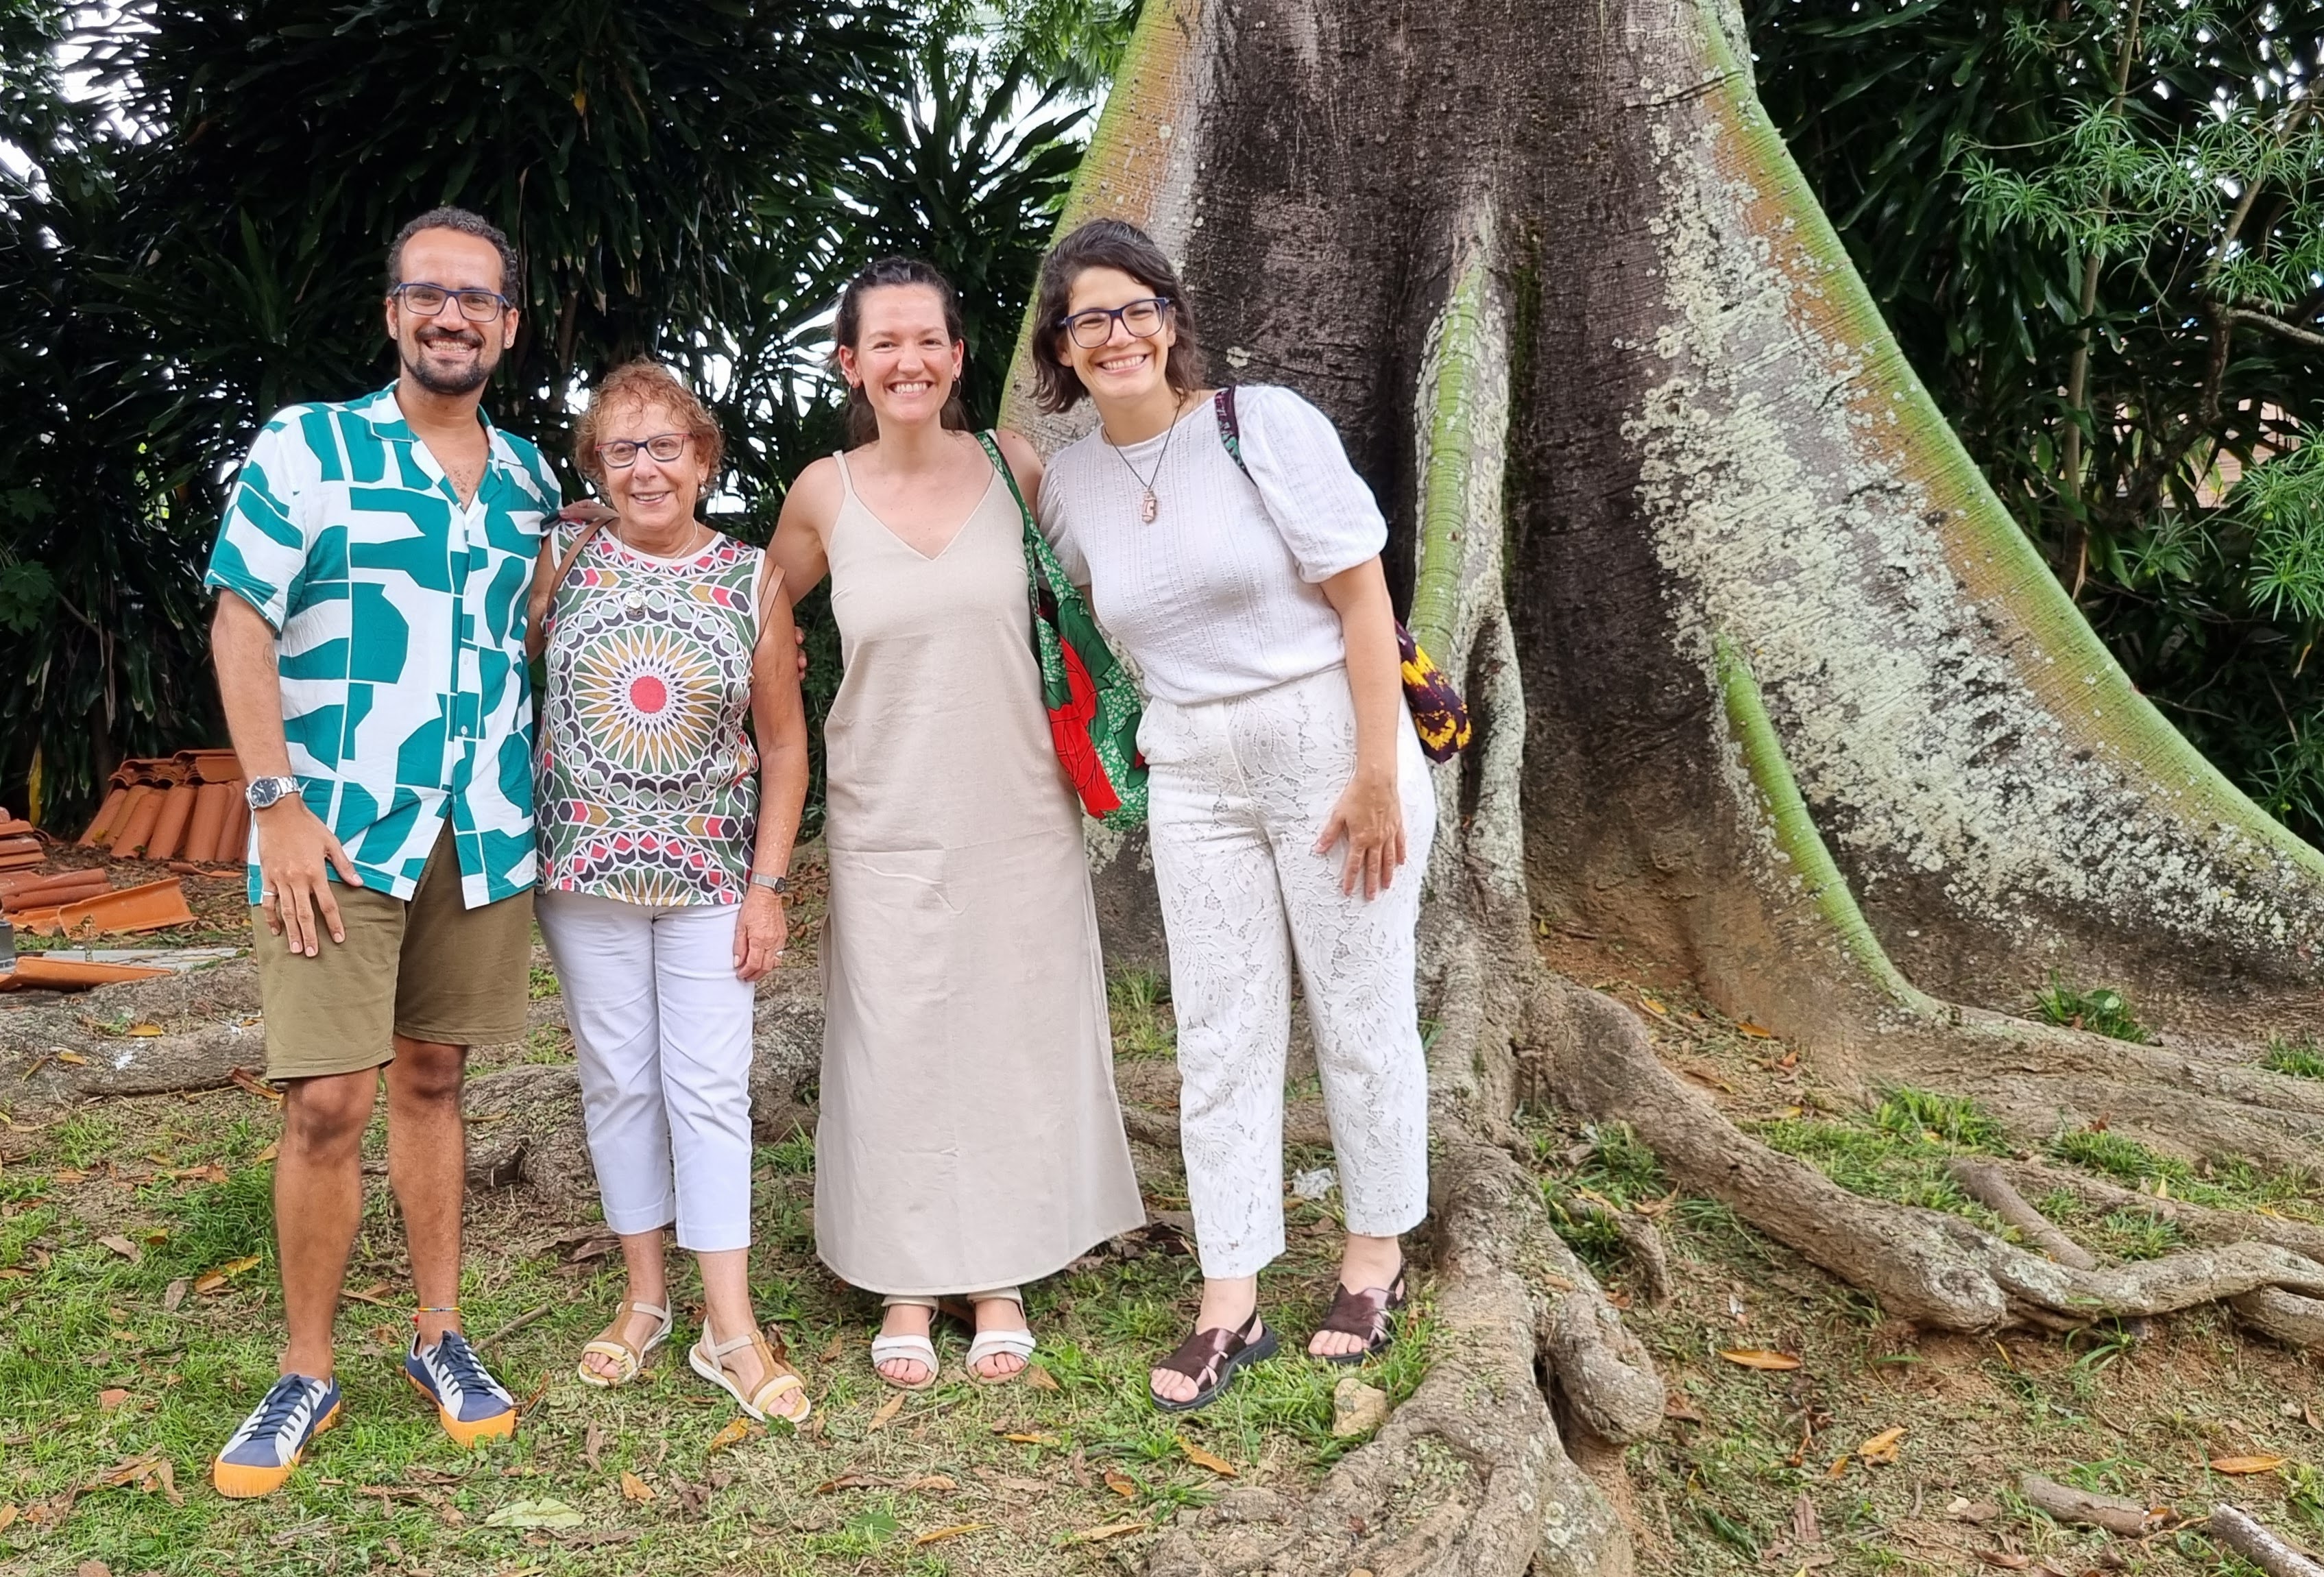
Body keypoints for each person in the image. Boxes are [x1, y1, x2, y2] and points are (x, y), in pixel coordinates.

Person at [1030, 219, 1438, 1412]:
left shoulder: (1259, 425)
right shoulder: (1072, 484)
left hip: (1328, 740)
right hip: (1193, 766)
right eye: (1087, 319)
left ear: (1169, 318)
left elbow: (1363, 603)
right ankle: (1230, 1294)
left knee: (1358, 1009)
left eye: (1134, 308)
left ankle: (1373, 1259)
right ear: (1060, 347)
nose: (1115, 335)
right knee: (1218, 1029)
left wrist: (1376, 770)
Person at [204, 208, 553, 1496]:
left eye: (478, 299)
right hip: (334, 830)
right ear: (394, 311)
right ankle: (305, 1366)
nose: (453, 316)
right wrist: (274, 803)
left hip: (480, 827)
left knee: (435, 1078)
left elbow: (531, 633)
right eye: (429, 293)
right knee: (325, 1102)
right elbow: (241, 622)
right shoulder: (309, 445)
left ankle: (438, 1335)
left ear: (507, 325)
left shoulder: (526, 481)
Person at [766, 257, 1144, 1389]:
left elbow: (1101, 584)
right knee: (893, 1038)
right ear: (850, 364)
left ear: (957, 354)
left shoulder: (1013, 466)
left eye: (927, 339)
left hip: (1017, 803)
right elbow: (751, 610)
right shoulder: (822, 492)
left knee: (1007, 1031)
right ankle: (904, 1277)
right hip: (884, 809)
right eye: (883, 342)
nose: (908, 361)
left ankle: (1000, 1273)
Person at [526, 360, 813, 1424]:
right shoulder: (560, 558)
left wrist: (768, 886)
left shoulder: (751, 579)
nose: (644, 469)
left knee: (708, 1089)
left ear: (702, 460)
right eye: (620, 450)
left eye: (664, 446)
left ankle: (727, 1326)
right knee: (617, 1084)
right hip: (582, 871)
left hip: (708, 877)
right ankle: (644, 1298)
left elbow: (784, 747)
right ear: (595, 468)